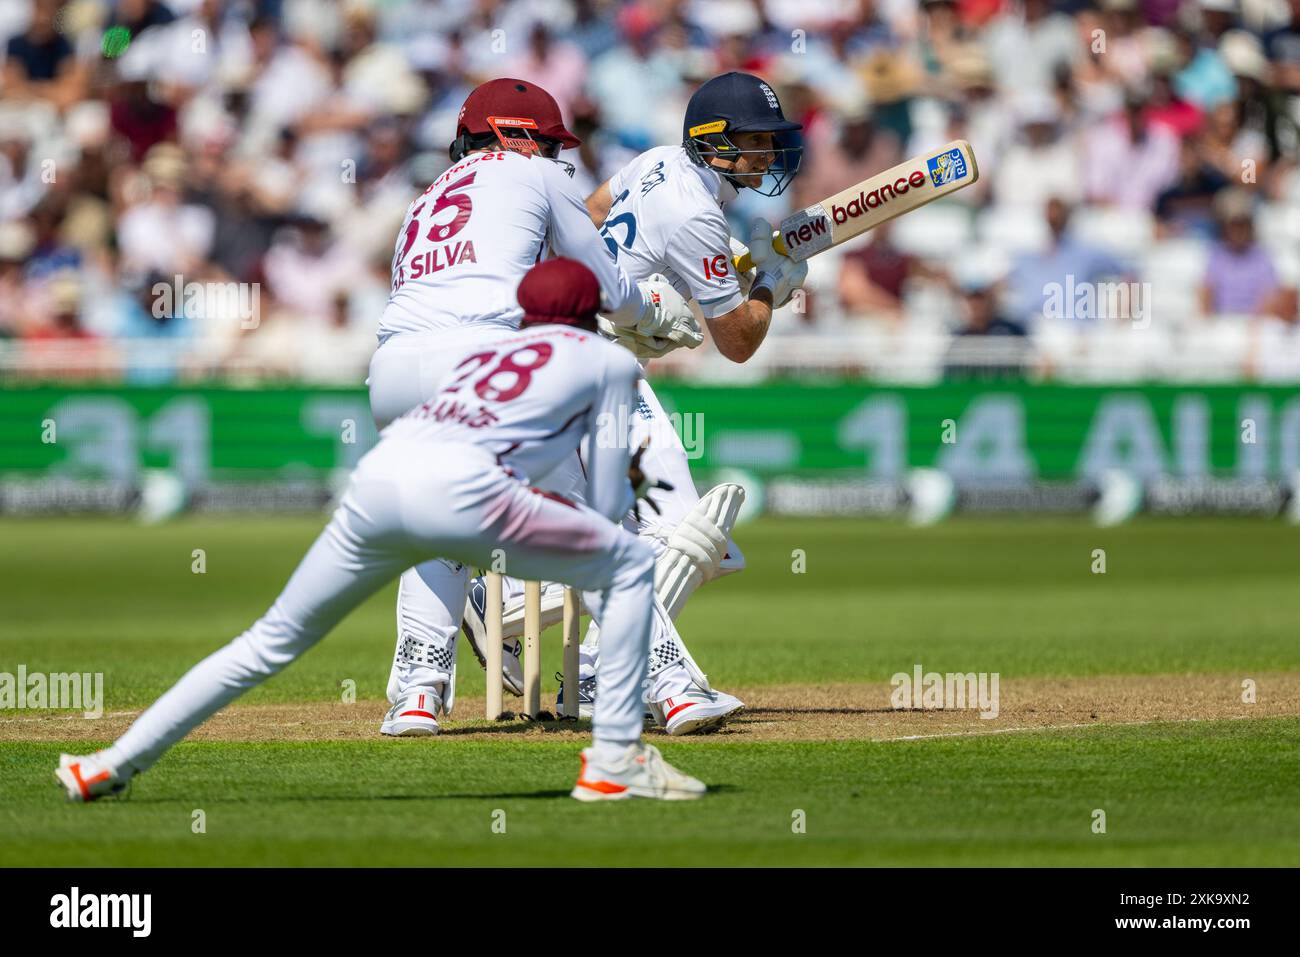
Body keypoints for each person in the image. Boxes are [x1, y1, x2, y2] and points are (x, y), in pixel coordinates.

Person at [56, 258, 707, 804]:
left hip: (379, 482)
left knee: (268, 640)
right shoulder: (609, 362)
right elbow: (600, 507)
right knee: (624, 563)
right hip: (463, 492)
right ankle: (615, 759)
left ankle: (108, 762)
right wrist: (635, 491)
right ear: (592, 313)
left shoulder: (488, 348)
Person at [445, 72, 808, 733]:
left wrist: (694, 272)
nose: (768, 154)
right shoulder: (697, 213)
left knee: (687, 538)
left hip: (564, 353)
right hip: (595, 367)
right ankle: (625, 674)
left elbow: (584, 218)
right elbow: (738, 343)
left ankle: (568, 647)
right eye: (756, 141)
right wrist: (770, 290)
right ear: (715, 142)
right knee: (687, 533)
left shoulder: (659, 163)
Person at [364, 78, 699, 738]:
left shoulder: (425, 199)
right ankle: (670, 684)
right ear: (515, 135)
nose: (552, 159)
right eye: (547, 144)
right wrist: (655, 313)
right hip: (482, 359)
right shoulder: (534, 178)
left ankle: (417, 696)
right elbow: (602, 280)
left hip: (394, 371)